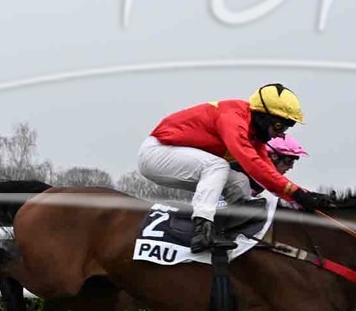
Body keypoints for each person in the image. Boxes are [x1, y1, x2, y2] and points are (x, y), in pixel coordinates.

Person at [137, 84, 332, 253]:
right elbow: (252, 163)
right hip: (156, 154)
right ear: (264, 117)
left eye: (286, 129)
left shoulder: (253, 132)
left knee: (239, 182)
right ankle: (202, 230)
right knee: (218, 166)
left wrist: (304, 195)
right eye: (280, 127)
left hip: (172, 159)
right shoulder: (233, 119)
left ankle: (226, 228)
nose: (281, 135)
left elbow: (266, 172)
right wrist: (296, 193)